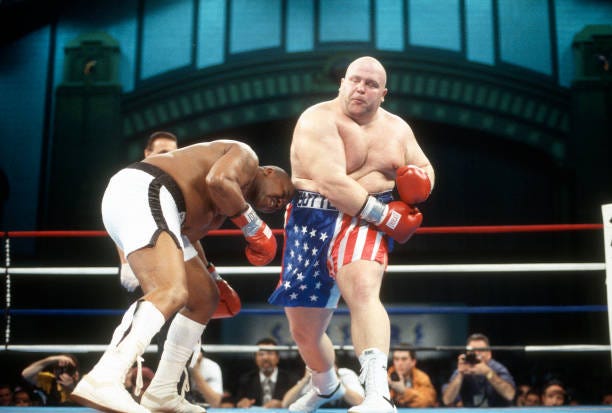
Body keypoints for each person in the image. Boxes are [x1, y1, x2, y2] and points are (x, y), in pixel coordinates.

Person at [71, 140, 294, 413]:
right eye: (286, 192)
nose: (282, 202)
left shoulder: (219, 211)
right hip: (146, 189)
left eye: (285, 204)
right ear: (269, 171)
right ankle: (105, 376)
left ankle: (162, 391)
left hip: (160, 209)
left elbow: (184, 237)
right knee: (170, 290)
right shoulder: (245, 156)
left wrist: (213, 275)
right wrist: (254, 226)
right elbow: (219, 180)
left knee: (204, 297)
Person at [267, 56, 435, 413]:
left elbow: (424, 167)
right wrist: (388, 219)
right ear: (342, 83)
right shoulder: (318, 118)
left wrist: (420, 187)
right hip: (313, 217)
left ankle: (377, 395)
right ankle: (326, 385)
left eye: (371, 84)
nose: (361, 88)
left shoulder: (398, 129)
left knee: (362, 288)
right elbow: (331, 182)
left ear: (383, 93)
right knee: (305, 331)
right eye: (355, 80)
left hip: (365, 222)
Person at [118, 131, 179, 297]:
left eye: (173, 153)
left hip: (173, 256)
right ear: (147, 153)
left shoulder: (177, 182)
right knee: (151, 305)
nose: (169, 158)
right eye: (163, 153)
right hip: (141, 256)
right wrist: (125, 262)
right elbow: (120, 221)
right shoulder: (132, 180)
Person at [441, 333, 516, 407]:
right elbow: (447, 400)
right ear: (467, 353)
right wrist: (460, 375)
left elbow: (510, 395)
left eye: (480, 350)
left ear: (489, 354)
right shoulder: (463, 369)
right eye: (472, 350)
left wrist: (488, 373)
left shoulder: (497, 368)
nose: (476, 354)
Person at [234, 337, 300, 408]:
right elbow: (236, 403)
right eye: (261, 354)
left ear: (277, 357)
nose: (265, 358)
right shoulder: (246, 380)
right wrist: (241, 404)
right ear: (255, 358)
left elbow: (300, 405)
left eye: (270, 353)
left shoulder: (291, 379)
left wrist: (282, 405)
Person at [282, 364, 364, 409]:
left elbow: (360, 402)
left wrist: (336, 380)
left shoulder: (345, 374)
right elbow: (286, 404)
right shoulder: (312, 377)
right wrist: (305, 379)